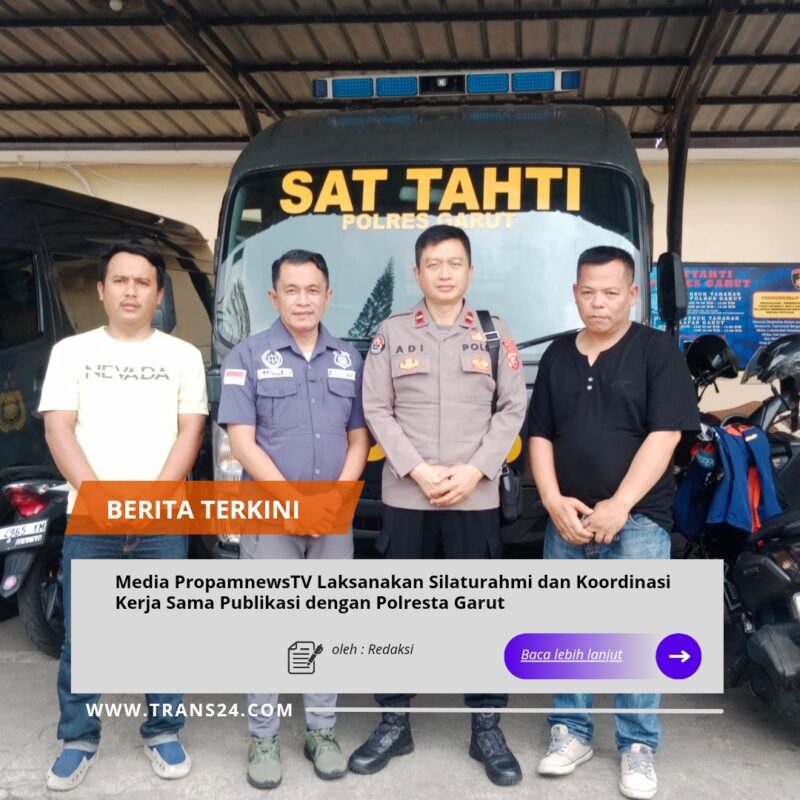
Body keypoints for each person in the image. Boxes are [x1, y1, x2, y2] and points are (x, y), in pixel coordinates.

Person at [351, 225, 527, 786]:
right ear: (417, 273)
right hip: (409, 497)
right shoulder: (392, 333)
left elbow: (512, 409)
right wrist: (418, 470)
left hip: (475, 500)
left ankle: (486, 727)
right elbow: (376, 408)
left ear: (470, 271)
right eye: (434, 264)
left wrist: (475, 470)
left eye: (454, 263)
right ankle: (394, 722)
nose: (444, 273)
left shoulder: (494, 333)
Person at [527, 245, 698, 800]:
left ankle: (638, 745)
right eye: (588, 292)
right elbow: (540, 433)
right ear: (574, 293)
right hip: (567, 521)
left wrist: (620, 504)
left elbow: (665, 435)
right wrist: (552, 500)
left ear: (632, 294)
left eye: (610, 292)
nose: (598, 303)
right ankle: (570, 732)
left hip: (638, 522)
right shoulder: (557, 355)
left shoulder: (657, 351)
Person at [40, 241, 208, 791]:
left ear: (159, 294)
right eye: (120, 280)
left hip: (162, 519)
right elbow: (58, 428)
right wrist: (100, 500)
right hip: (92, 516)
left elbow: (190, 431)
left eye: (142, 282)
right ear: (101, 290)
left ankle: (163, 730)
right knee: (86, 637)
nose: (131, 290)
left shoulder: (182, 356)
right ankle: (79, 738)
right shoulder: (71, 352)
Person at [217, 249, 369, 790]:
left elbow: (359, 438)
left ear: (328, 296)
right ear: (273, 296)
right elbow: (242, 443)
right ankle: (263, 736)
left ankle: (321, 731)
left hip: (332, 518)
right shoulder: (247, 356)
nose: (303, 300)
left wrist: (336, 499)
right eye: (291, 290)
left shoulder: (349, 358)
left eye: (313, 290)